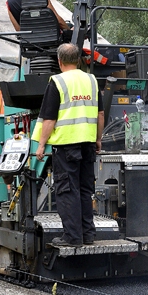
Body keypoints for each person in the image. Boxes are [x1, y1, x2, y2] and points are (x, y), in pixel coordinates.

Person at [33, 43, 104, 247]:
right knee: (84, 189)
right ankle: (88, 234)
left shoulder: (57, 81)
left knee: (67, 190)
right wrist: (98, 138)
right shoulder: (91, 80)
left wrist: (41, 145)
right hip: (88, 143)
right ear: (79, 60)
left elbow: (49, 119)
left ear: (60, 61)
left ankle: (73, 237)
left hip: (66, 145)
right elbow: (100, 113)